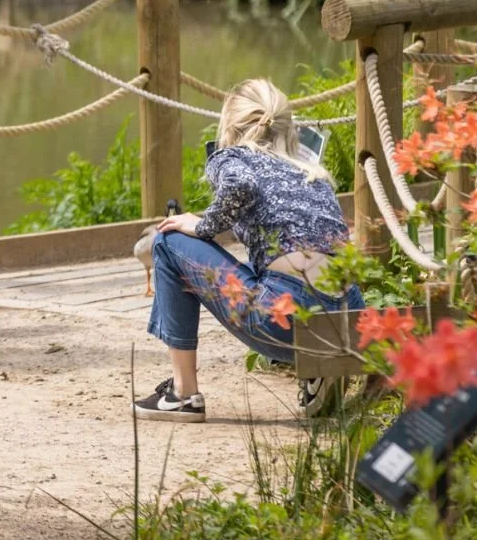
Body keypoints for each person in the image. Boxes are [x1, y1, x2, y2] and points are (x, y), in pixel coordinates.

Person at [133, 78, 365, 423]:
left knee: (168, 241)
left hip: (285, 317)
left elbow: (241, 184)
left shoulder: (232, 157)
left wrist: (202, 226)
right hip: (348, 318)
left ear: (229, 124)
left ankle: (182, 394)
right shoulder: (310, 170)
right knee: (275, 270)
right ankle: (320, 368)